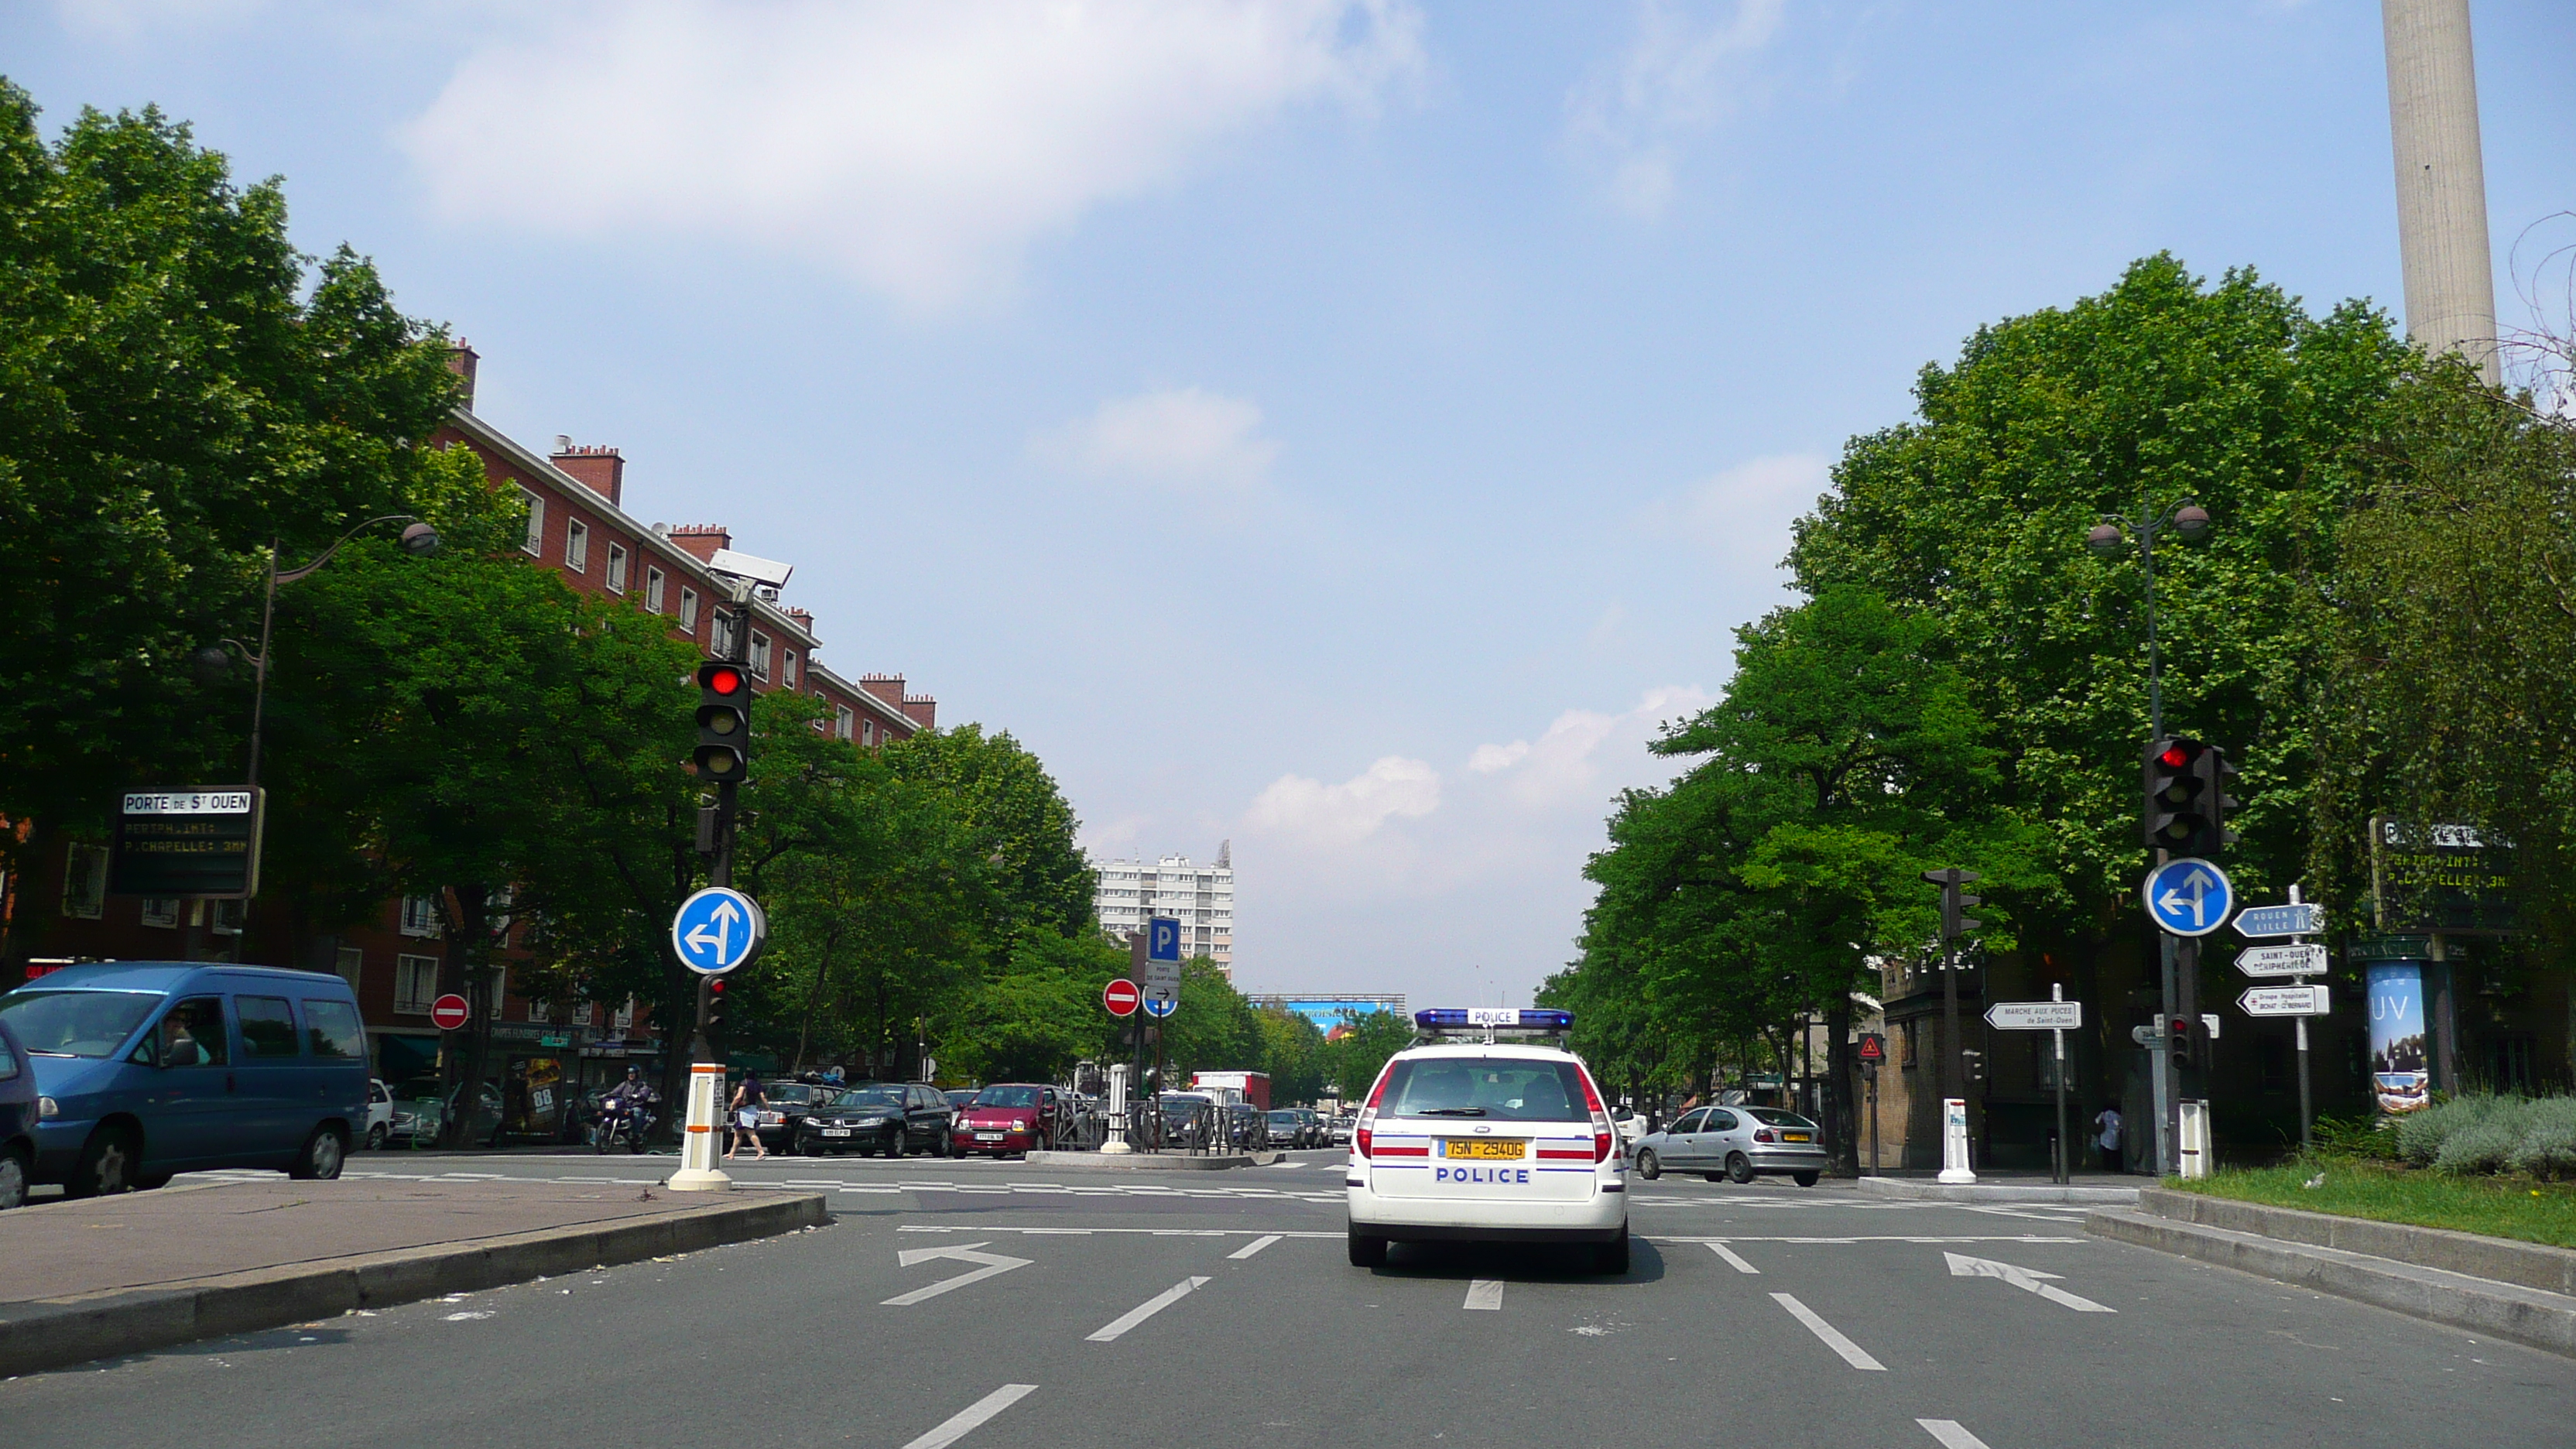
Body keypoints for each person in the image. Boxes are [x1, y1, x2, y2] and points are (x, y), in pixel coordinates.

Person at [727, 1070, 769, 1160]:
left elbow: (739, 1096)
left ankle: (760, 1151)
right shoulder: (758, 1084)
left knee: (751, 1132)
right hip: (753, 1109)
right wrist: (768, 1108)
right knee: (738, 1133)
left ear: (745, 1075)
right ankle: (732, 1153)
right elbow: (763, 1097)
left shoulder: (744, 1084)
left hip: (744, 1111)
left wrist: (732, 1106)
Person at [2093, 1105, 2124, 1173]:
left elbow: (2096, 1121)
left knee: (2106, 1152)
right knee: (2114, 1152)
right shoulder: (2113, 1114)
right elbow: (2117, 1123)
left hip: (2104, 1134)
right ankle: (2115, 1167)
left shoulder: (2102, 1114)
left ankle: (2107, 1167)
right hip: (2113, 1134)